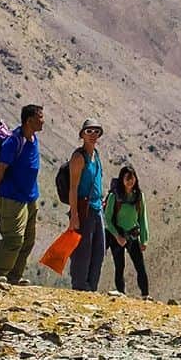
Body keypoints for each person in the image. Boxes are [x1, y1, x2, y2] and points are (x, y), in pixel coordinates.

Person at [0, 104, 43, 284]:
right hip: (13, 198)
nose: (43, 121)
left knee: (28, 240)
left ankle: (13, 276)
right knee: (14, 237)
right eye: (40, 117)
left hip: (30, 198)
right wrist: (3, 190)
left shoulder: (33, 139)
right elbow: (0, 169)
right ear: (29, 120)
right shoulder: (14, 141)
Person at [66, 119, 108, 292]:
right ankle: (79, 285)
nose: (93, 135)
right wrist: (74, 215)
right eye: (89, 131)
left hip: (97, 208)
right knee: (83, 250)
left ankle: (91, 286)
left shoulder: (95, 155)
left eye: (96, 132)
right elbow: (73, 188)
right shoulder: (79, 157)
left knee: (99, 250)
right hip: (84, 209)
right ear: (82, 134)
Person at [104, 164, 150, 298]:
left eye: (132, 177)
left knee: (140, 266)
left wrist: (144, 239)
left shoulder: (139, 197)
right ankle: (121, 293)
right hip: (117, 236)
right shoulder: (114, 197)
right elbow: (107, 218)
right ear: (121, 180)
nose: (130, 181)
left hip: (133, 235)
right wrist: (117, 236)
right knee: (120, 266)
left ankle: (145, 295)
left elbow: (142, 218)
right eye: (127, 178)